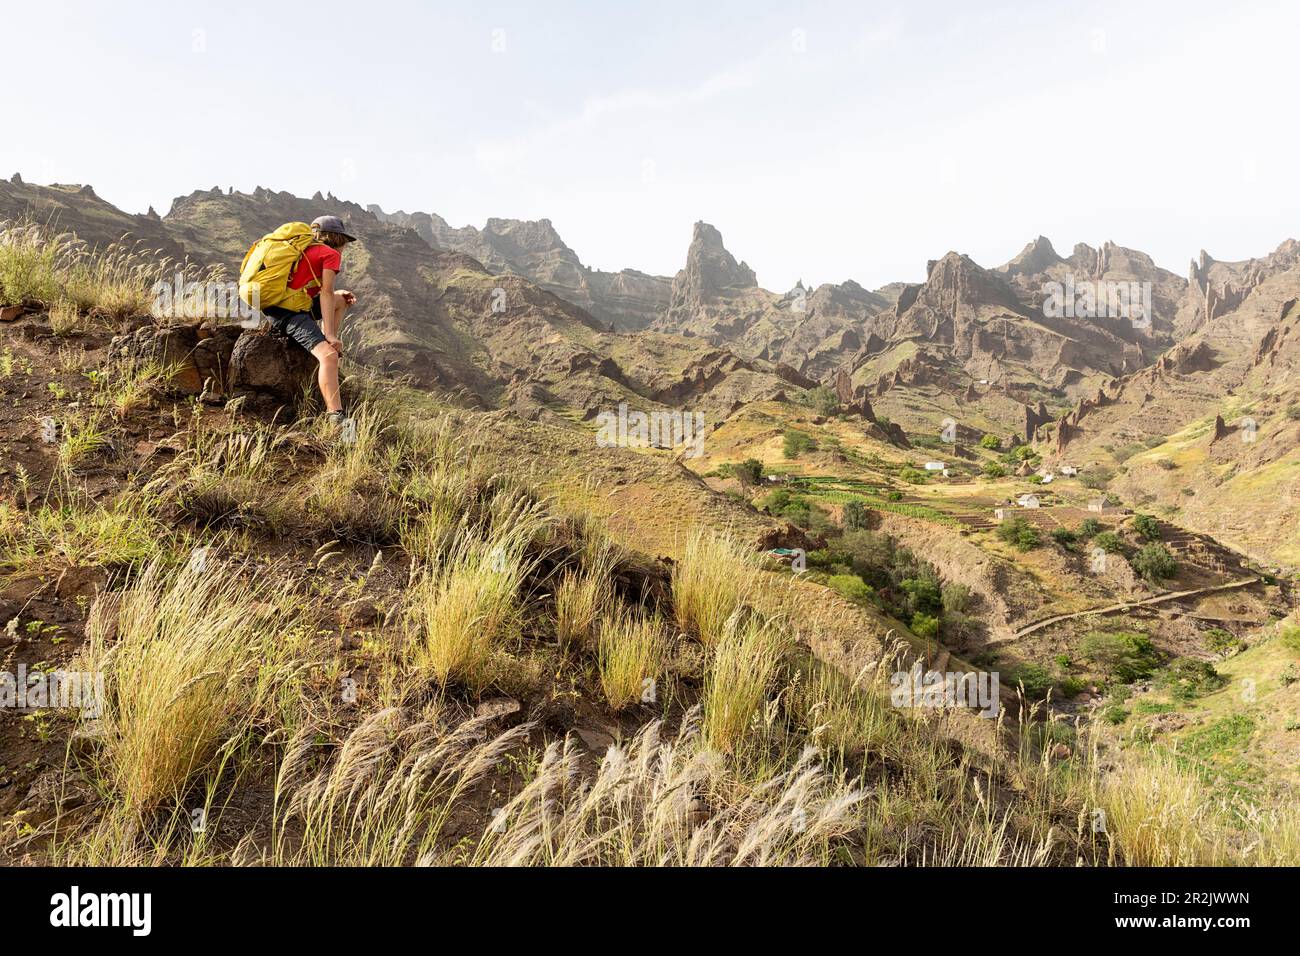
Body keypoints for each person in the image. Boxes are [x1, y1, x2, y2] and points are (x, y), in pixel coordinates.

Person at [260, 215, 358, 424]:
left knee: (342, 299)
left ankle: (325, 341)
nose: (345, 247)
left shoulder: (304, 249)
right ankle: (337, 420)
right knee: (329, 356)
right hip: (288, 313)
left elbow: (324, 294)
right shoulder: (330, 254)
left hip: (278, 306)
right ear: (338, 239)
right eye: (345, 242)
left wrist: (336, 295)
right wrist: (330, 336)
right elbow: (326, 293)